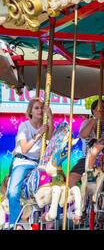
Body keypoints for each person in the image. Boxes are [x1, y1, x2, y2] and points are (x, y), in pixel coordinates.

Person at [7, 98, 54, 229]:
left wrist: (50, 116)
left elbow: (50, 138)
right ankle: (16, 223)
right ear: (31, 112)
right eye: (36, 108)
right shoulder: (24, 126)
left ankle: (48, 218)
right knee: (13, 192)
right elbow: (24, 149)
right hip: (23, 161)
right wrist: (39, 134)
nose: (39, 110)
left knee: (52, 184)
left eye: (41, 108)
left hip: (38, 164)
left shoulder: (45, 126)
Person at [68, 99, 104, 190]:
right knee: (72, 179)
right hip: (88, 158)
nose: (102, 110)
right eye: (99, 107)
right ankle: (76, 200)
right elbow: (83, 135)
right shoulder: (87, 122)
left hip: (103, 159)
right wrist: (94, 119)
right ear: (93, 110)